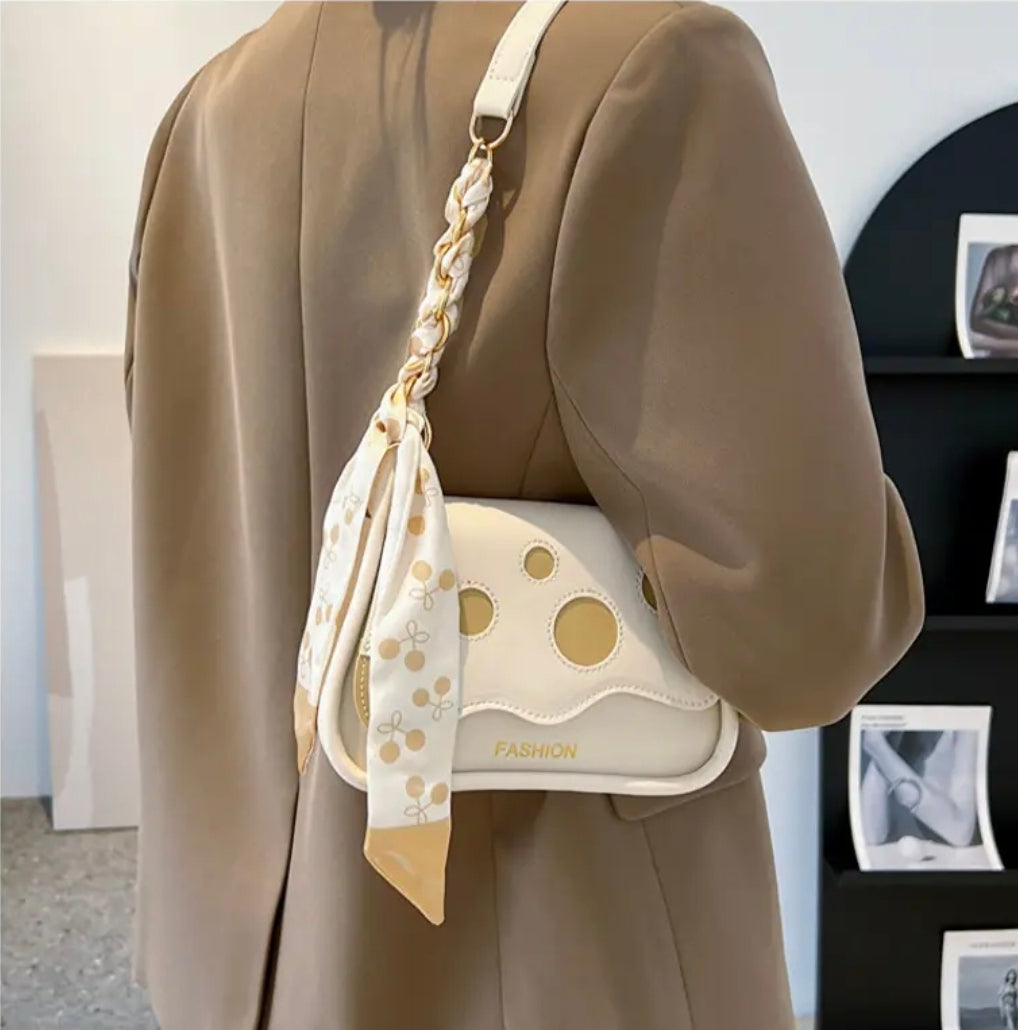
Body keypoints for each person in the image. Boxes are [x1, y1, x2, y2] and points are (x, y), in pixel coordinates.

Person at [124, 4, 924, 1028]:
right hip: (559, 950)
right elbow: (804, 633)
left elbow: (188, 519)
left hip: (246, 956)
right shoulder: (655, 67)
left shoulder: (207, 113)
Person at [860, 730, 979, 849]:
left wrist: (879, 749)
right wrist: (881, 745)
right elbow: (872, 836)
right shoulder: (901, 732)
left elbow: (962, 833)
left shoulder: (964, 732)